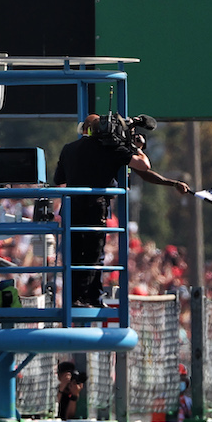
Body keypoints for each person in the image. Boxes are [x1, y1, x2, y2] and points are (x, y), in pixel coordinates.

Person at [52, 114, 190, 307]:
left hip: (72, 207)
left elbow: (58, 179)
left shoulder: (69, 149)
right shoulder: (110, 149)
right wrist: (137, 148)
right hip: (96, 207)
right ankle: (91, 297)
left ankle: (76, 298)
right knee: (94, 255)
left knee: (75, 254)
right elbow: (144, 166)